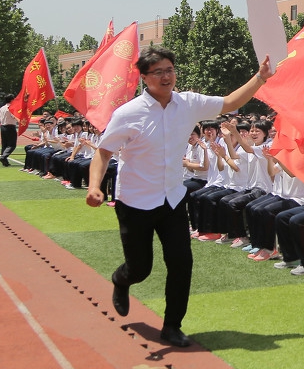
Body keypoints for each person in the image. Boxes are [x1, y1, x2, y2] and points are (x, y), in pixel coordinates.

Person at [86, 46, 272, 348]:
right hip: (135, 201)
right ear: (144, 77)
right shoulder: (128, 114)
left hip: (172, 198)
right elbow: (104, 152)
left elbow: (230, 101)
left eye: (170, 69)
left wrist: (260, 77)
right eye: (158, 72)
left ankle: (172, 326)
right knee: (140, 268)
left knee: (181, 262)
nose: (166, 76)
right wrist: (95, 186)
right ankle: (121, 280)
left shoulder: (189, 104)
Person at [0, 94, 18, 166]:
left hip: (3, 127)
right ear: (11, 100)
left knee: (4, 144)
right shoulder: (11, 108)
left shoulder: (2, 108)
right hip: (10, 127)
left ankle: (5, 161)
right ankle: (3, 157)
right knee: (12, 145)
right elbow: (14, 117)